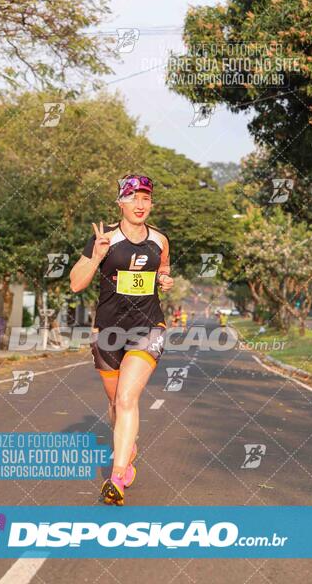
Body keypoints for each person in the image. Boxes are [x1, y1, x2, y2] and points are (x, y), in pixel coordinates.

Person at [69, 174, 174, 505]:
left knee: (128, 399)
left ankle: (116, 477)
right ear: (121, 203)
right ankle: (128, 446)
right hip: (108, 331)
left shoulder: (160, 240)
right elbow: (76, 284)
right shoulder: (104, 240)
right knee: (116, 403)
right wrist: (97, 256)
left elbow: (162, 271)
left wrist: (164, 280)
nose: (141, 205)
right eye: (134, 198)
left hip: (148, 328)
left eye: (146, 198)